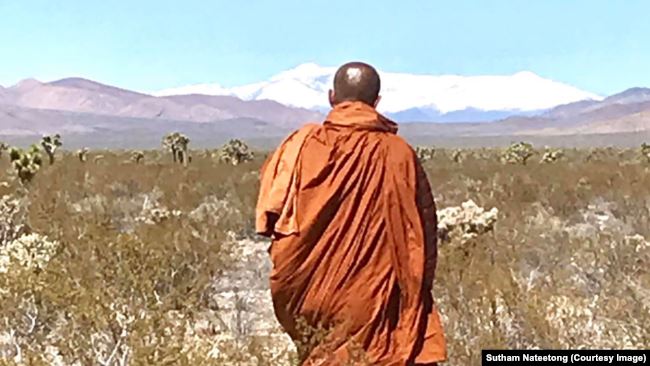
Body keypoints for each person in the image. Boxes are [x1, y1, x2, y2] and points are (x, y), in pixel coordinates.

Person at [256, 61, 447, 365]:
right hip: (374, 298)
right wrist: (416, 293)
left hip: (309, 294)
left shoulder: (299, 147)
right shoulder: (398, 153)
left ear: (332, 97)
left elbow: (269, 217)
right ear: (377, 102)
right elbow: (423, 231)